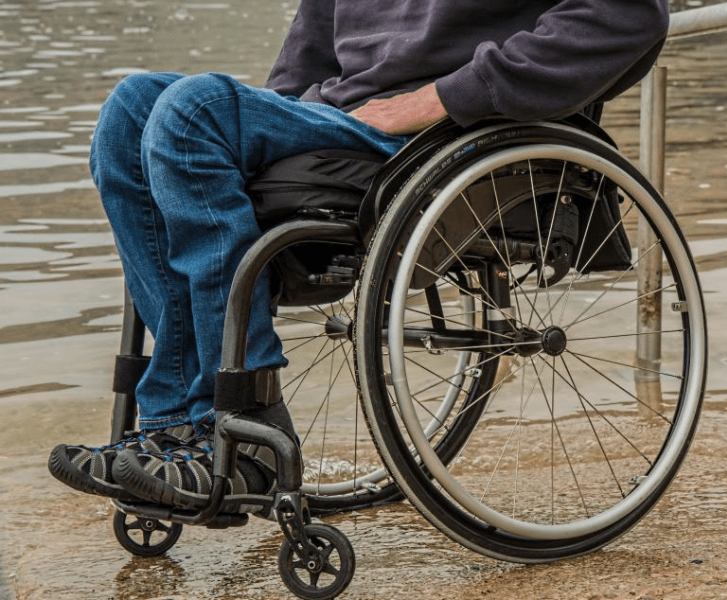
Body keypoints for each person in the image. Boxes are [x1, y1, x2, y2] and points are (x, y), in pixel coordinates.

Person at [48, 0, 670, 510]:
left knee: (193, 111)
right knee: (132, 108)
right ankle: (173, 429)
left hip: (442, 130)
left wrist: (440, 97)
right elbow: (311, 44)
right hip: (342, 119)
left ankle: (248, 425)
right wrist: (269, 126)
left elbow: (628, 15)